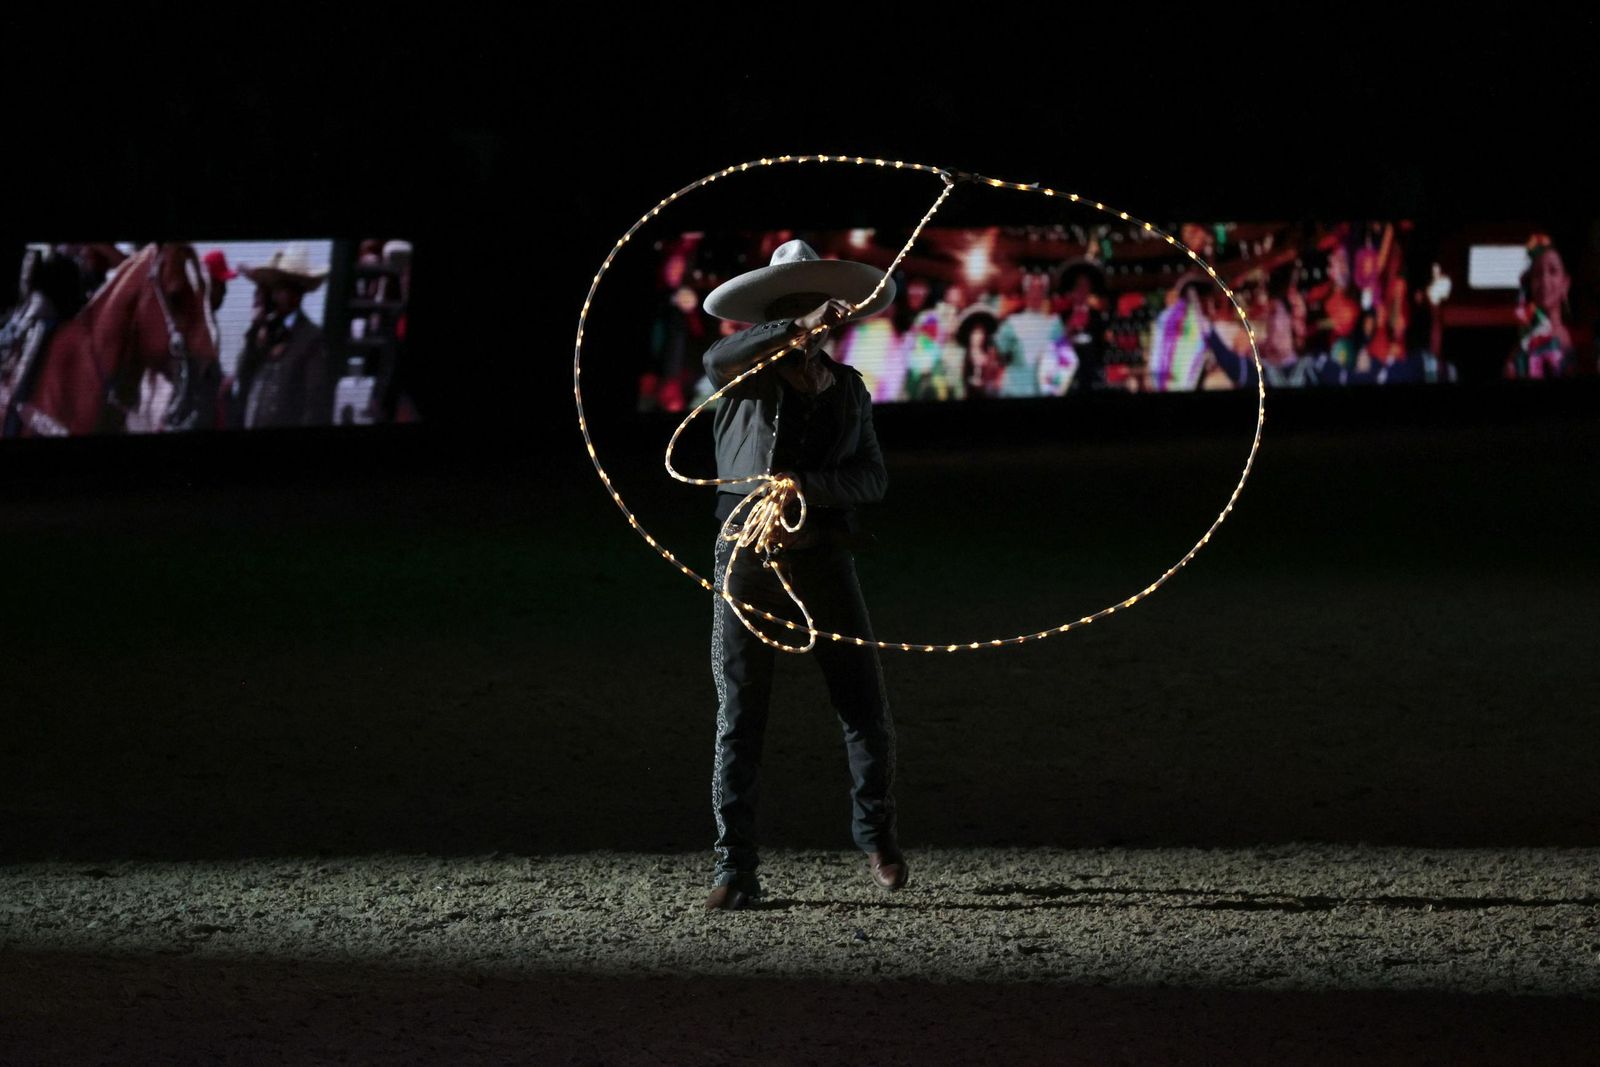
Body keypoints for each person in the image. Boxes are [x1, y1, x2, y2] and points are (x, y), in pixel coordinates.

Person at [697, 238, 904, 912]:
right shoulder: (741, 376)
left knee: (862, 701)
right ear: (768, 322)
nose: (803, 322)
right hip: (747, 559)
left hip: (822, 554)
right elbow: (715, 354)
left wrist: (803, 484)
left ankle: (876, 835)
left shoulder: (847, 389)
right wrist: (793, 329)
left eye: (810, 309)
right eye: (784, 313)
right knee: (741, 712)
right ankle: (736, 867)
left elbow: (872, 477)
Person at [229, 244, 333, 428]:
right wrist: (255, 330)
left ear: (297, 294)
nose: (275, 295)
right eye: (275, 288)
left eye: (282, 288)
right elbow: (243, 376)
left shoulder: (311, 338)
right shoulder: (266, 330)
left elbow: (315, 401)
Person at [1507, 234, 1573, 379]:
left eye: (1553, 271)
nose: (1544, 280)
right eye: (1537, 273)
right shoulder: (1523, 342)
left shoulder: (1579, 340)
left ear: (1565, 283)